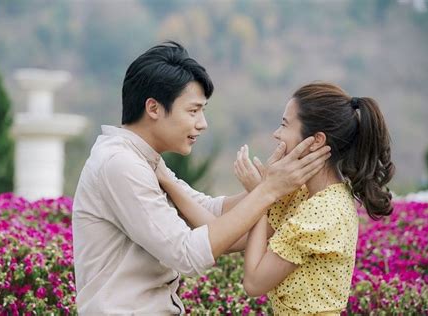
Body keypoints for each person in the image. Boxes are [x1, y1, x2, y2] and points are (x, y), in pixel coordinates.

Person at [71, 42, 331, 315]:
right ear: (154, 108)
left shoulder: (145, 160)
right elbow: (186, 253)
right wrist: (267, 191)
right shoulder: (121, 164)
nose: (202, 123)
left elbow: (208, 211)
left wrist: (280, 186)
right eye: (193, 111)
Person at [233, 82, 395, 315]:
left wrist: (260, 195)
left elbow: (254, 283)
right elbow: (229, 237)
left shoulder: (323, 211)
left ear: (317, 140)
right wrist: (168, 181)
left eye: (284, 124)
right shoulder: (304, 194)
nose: (276, 134)